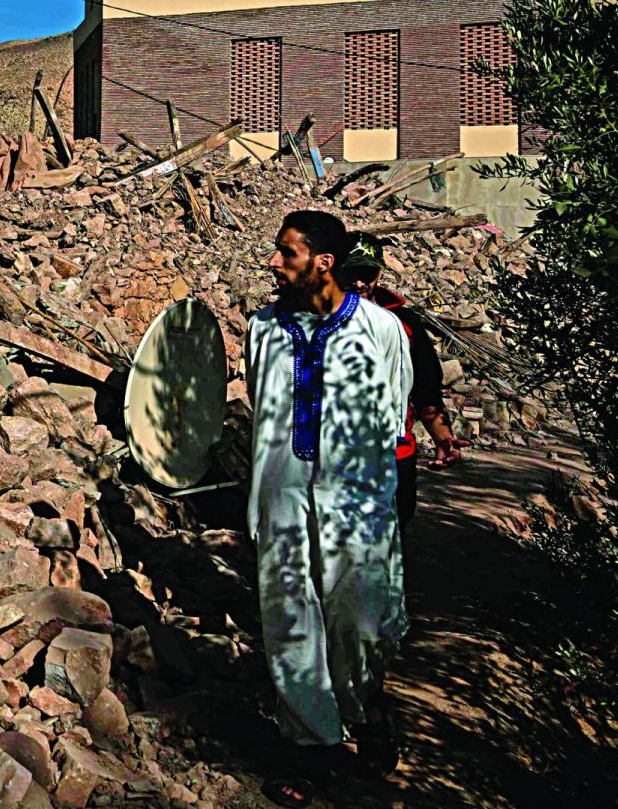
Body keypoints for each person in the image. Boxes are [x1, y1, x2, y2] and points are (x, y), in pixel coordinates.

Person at [248, 210, 413, 805]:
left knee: (358, 618)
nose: (274, 263)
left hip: (358, 499)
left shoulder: (380, 330)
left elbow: (394, 412)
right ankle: (310, 746)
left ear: (322, 261)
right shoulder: (262, 328)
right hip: (282, 492)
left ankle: (367, 711)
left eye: (286, 253)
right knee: (288, 612)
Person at [336, 232, 468, 533]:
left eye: (366, 274)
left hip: (395, 457)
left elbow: (425, 390)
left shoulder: (404, 324)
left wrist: (443, 438)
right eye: (351, 274)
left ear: (379, 274)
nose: (359, 284)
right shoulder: (316, 322)